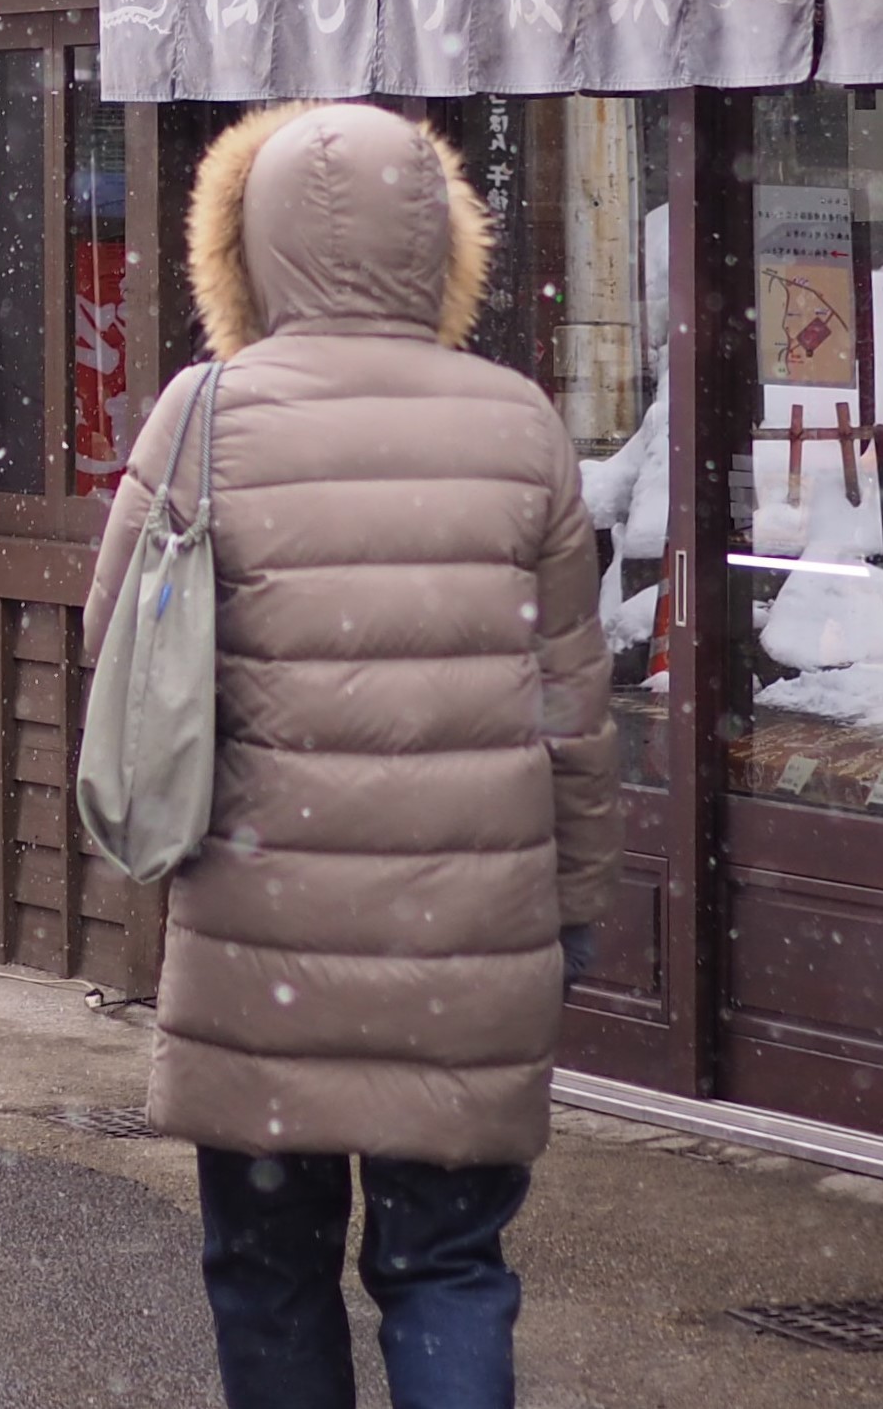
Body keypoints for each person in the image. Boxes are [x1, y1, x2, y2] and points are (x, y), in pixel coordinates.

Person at [86, 102, 620, 1409]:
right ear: (440, 245)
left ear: (246, 251)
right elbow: (573, 703)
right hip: (469, 934)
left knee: (268, 1269)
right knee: (448, 1264)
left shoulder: (202, 418)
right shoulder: (519, 423)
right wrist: (579, 903)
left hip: (263, 938)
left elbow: (123, 657)